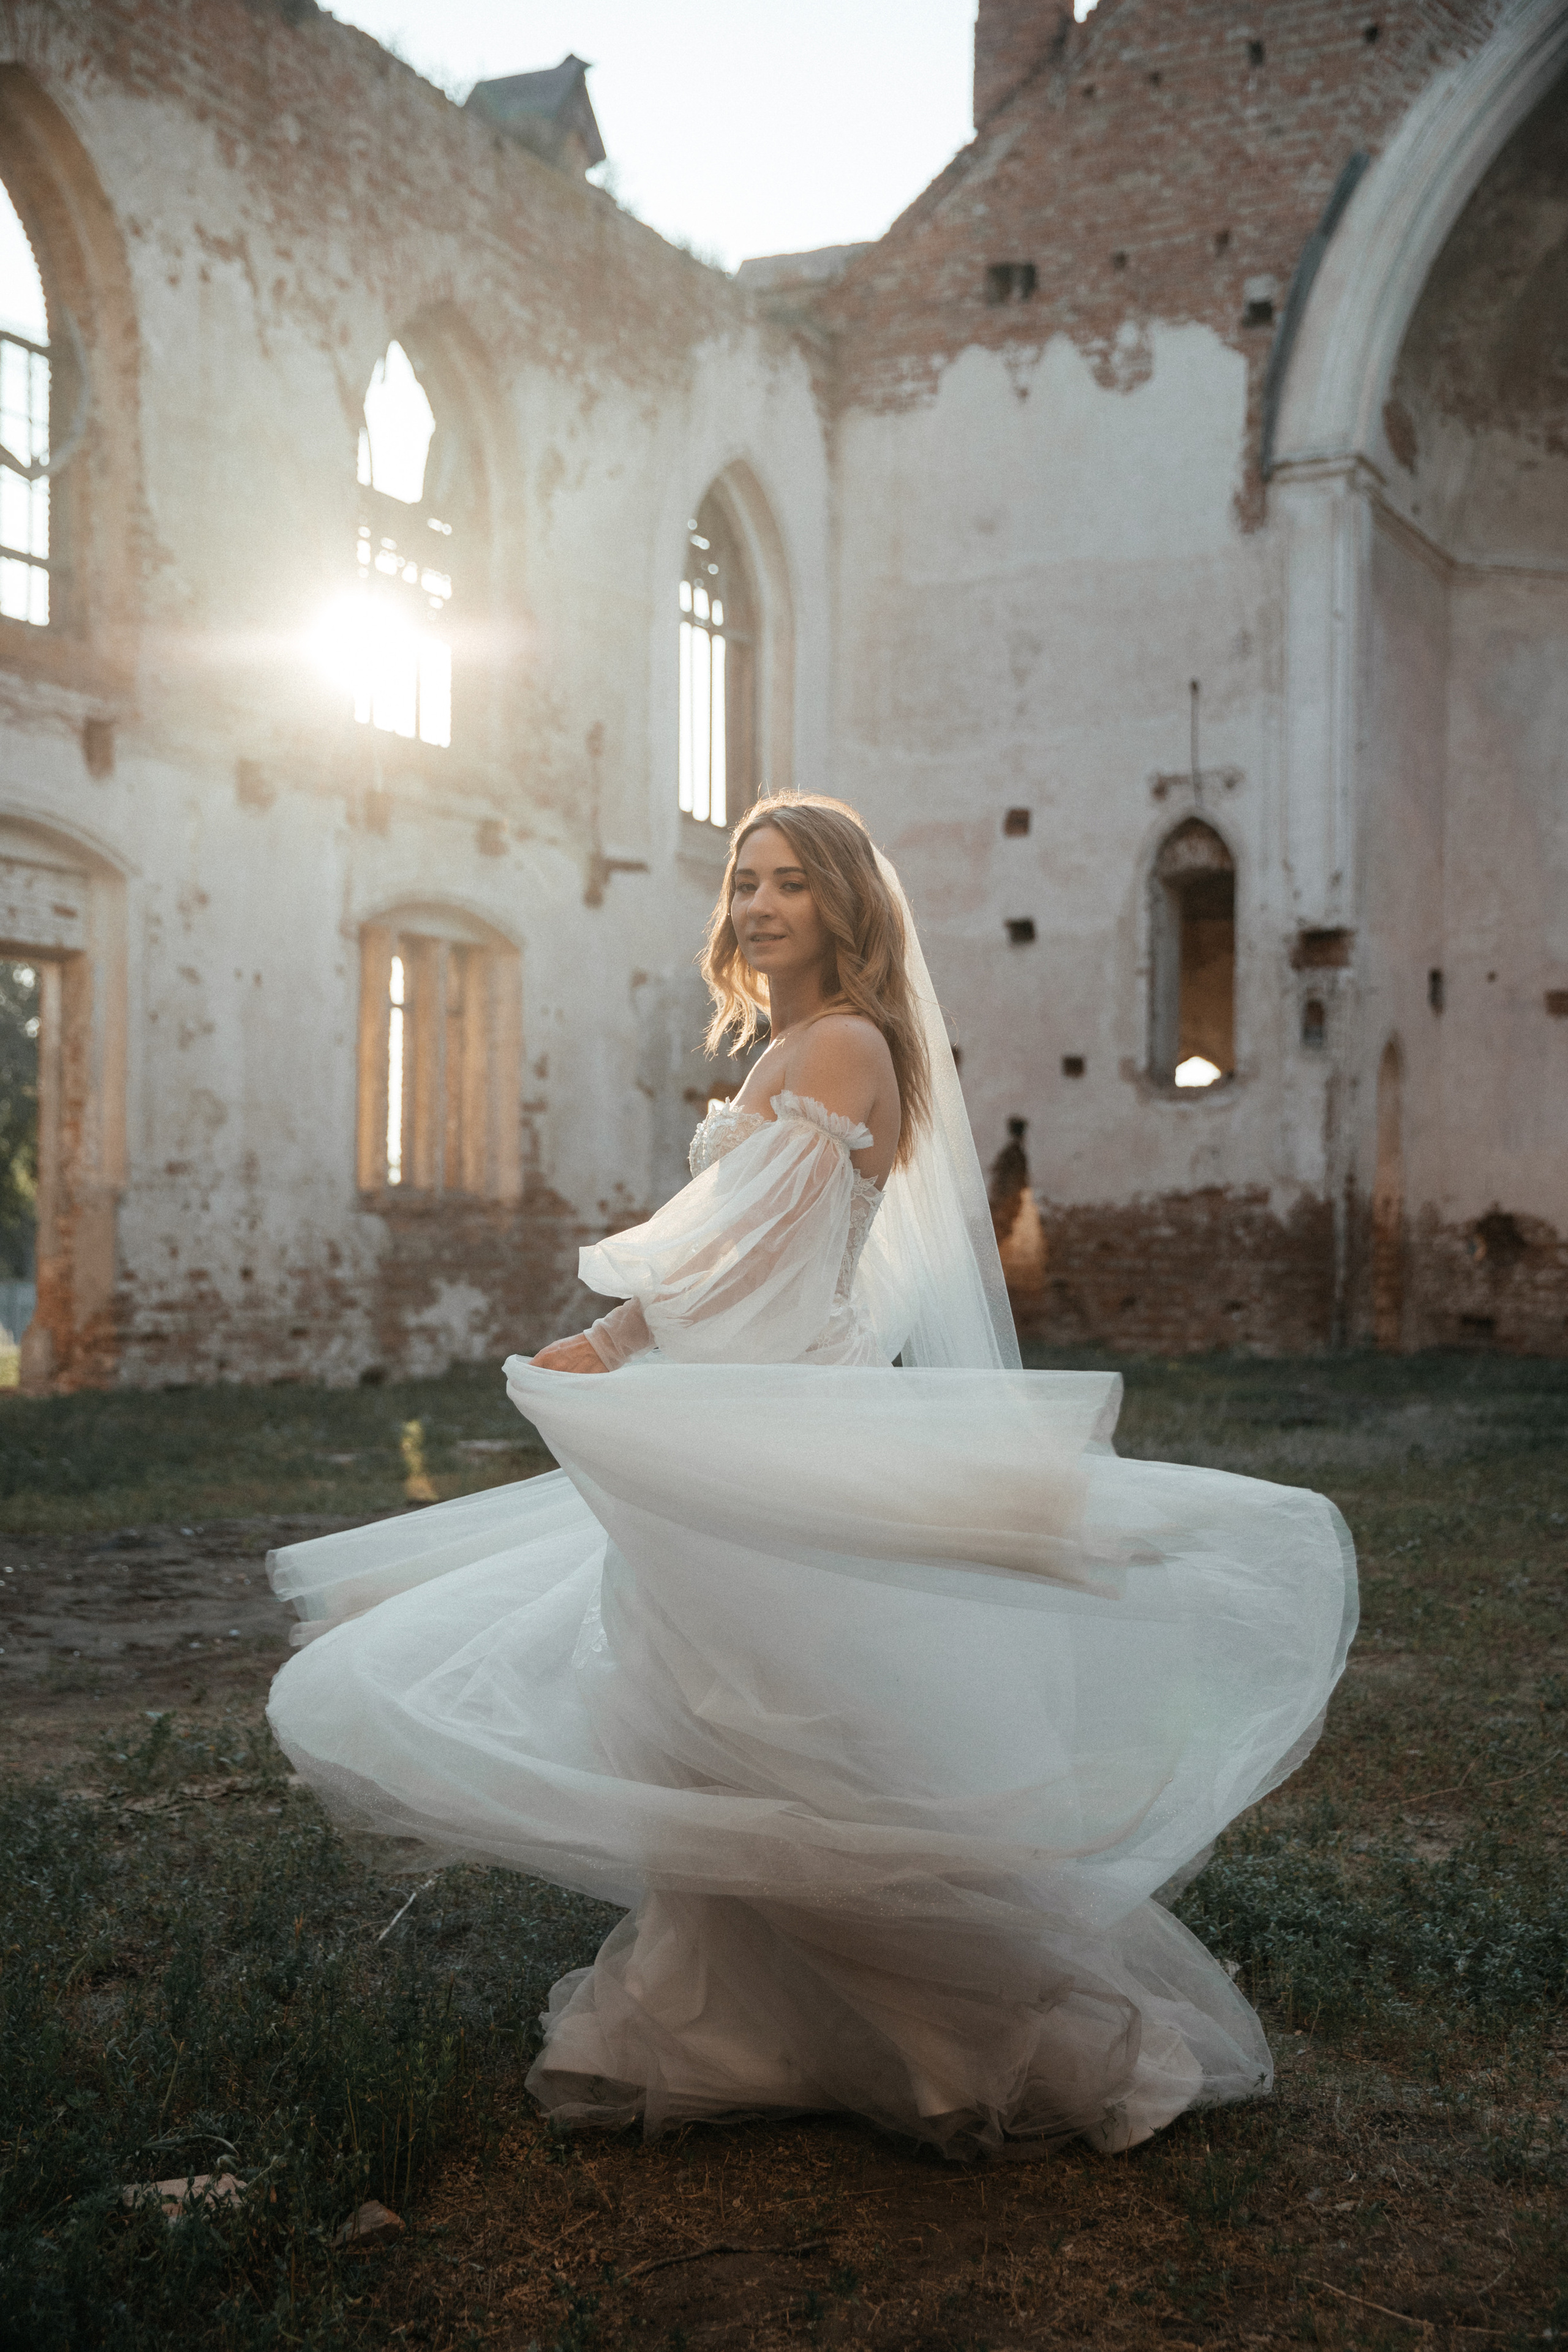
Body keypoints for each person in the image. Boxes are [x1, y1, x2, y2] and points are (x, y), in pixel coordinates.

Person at [266, 794, 1357, 2161]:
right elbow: (746, 1259)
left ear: (844, 906)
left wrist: (616, 1345)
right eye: (744, 882)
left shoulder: (838, 1047)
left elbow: (750, 1274)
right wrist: (617, 1355)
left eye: (790, 883)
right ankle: (724, 2024)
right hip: (740, 1413)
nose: (759, 906)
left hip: (768, 1422)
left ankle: (958, 2041)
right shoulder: (793, 1045)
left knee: (792, 1735)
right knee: (720, 1730)